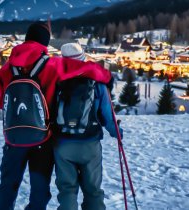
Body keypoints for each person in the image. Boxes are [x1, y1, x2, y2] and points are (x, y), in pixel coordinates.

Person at [0, 22, 112, 210]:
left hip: (13, 139)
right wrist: (105, 76)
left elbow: (0, 103)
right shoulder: (53, 65)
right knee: (39, 191)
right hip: (43, 139)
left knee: (7, 186)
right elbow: (84, 69)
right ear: (45, 43)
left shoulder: (6, 69)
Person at [54, 43, 123, 210]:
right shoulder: (97, 81)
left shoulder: (56, 79)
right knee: (93, 191)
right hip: (89, 143)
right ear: (82, 57)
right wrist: (117, 132)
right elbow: (107, 114)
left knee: (67, 191)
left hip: (62, 144)